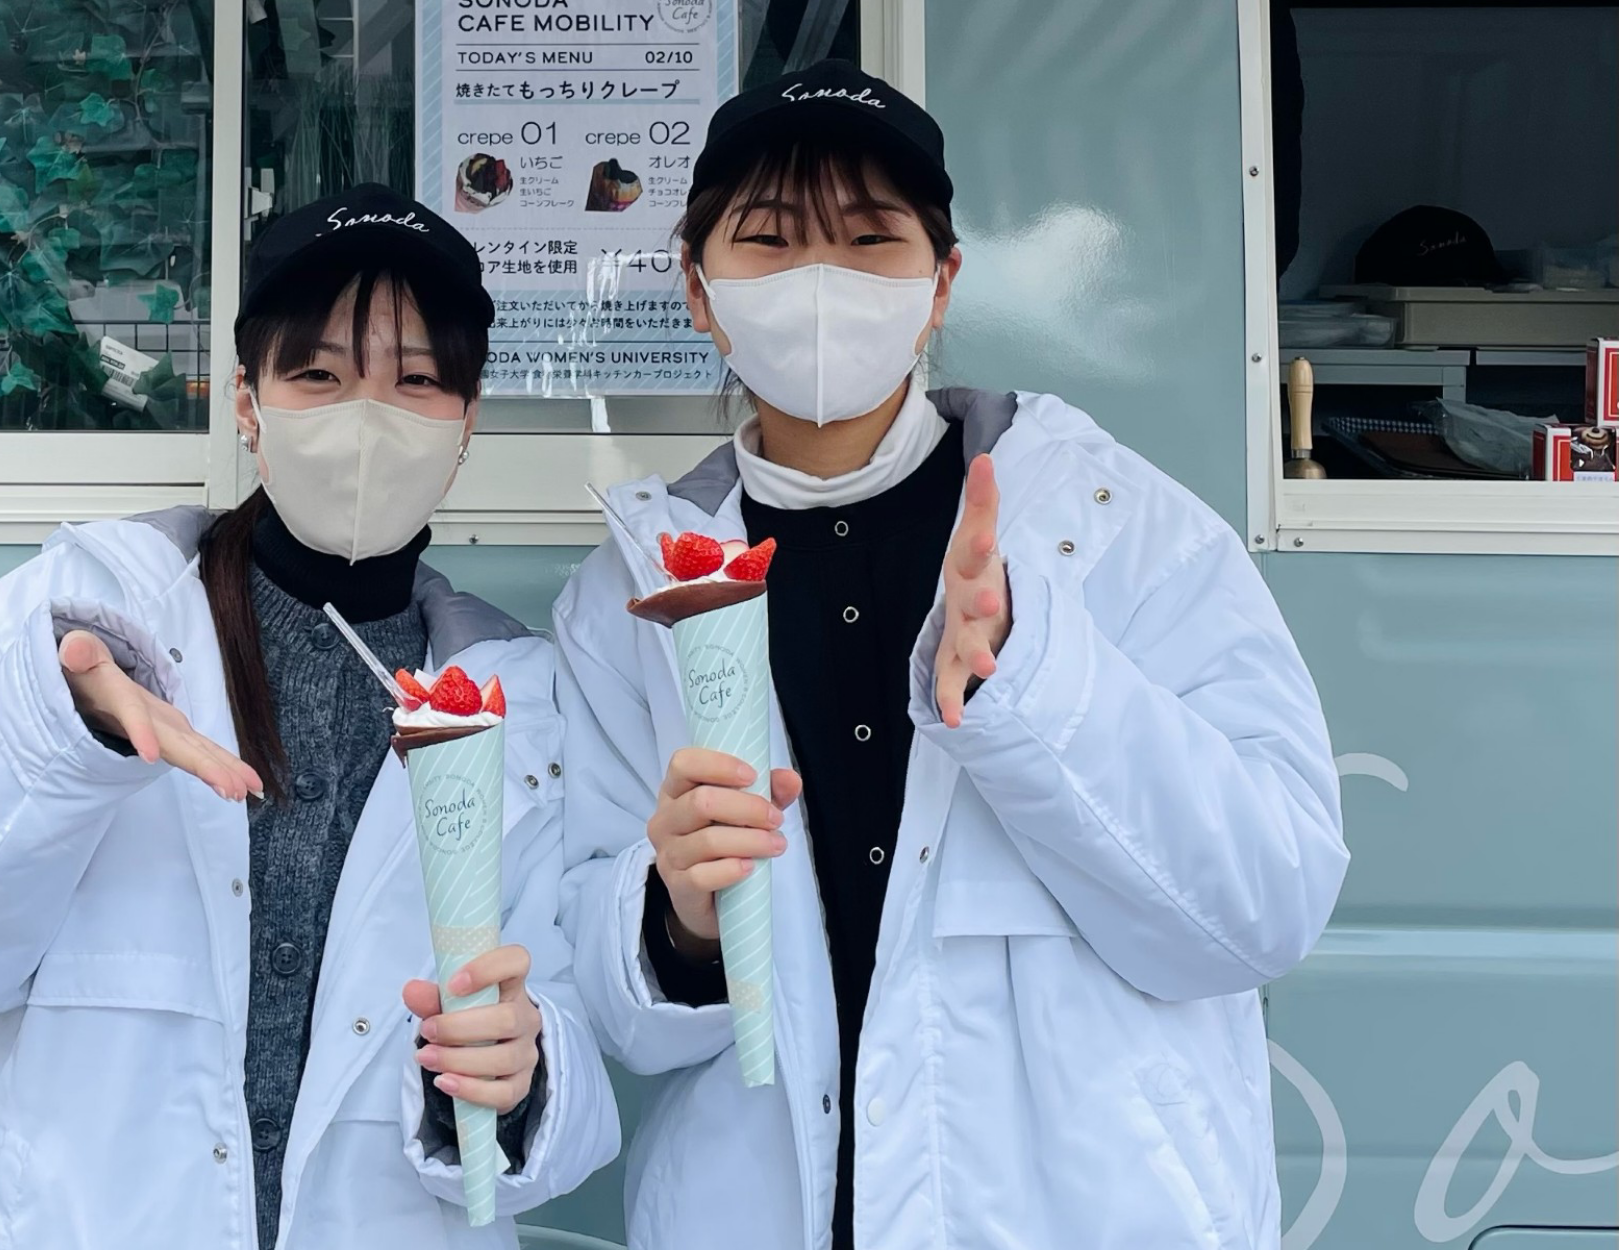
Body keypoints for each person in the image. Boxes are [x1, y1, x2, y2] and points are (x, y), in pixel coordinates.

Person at [555, 61, 1348, 1250]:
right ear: (696, 288)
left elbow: (1264, 904)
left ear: (939, 283)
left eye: (868, 238)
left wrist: (1036, 668)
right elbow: (611, 1008)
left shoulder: (1116, 527)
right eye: (767, 239)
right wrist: (677, 924)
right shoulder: (628, 596)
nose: (818, 279)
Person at [0, 184, 619, 1250]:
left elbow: (568, 1046)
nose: (365, 418)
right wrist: (63, 736)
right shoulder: (74, 616)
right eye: (317, 374)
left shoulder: (523, 703)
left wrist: (521, 1079)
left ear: (467, 419)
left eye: (416, 380)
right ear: (246, 399)